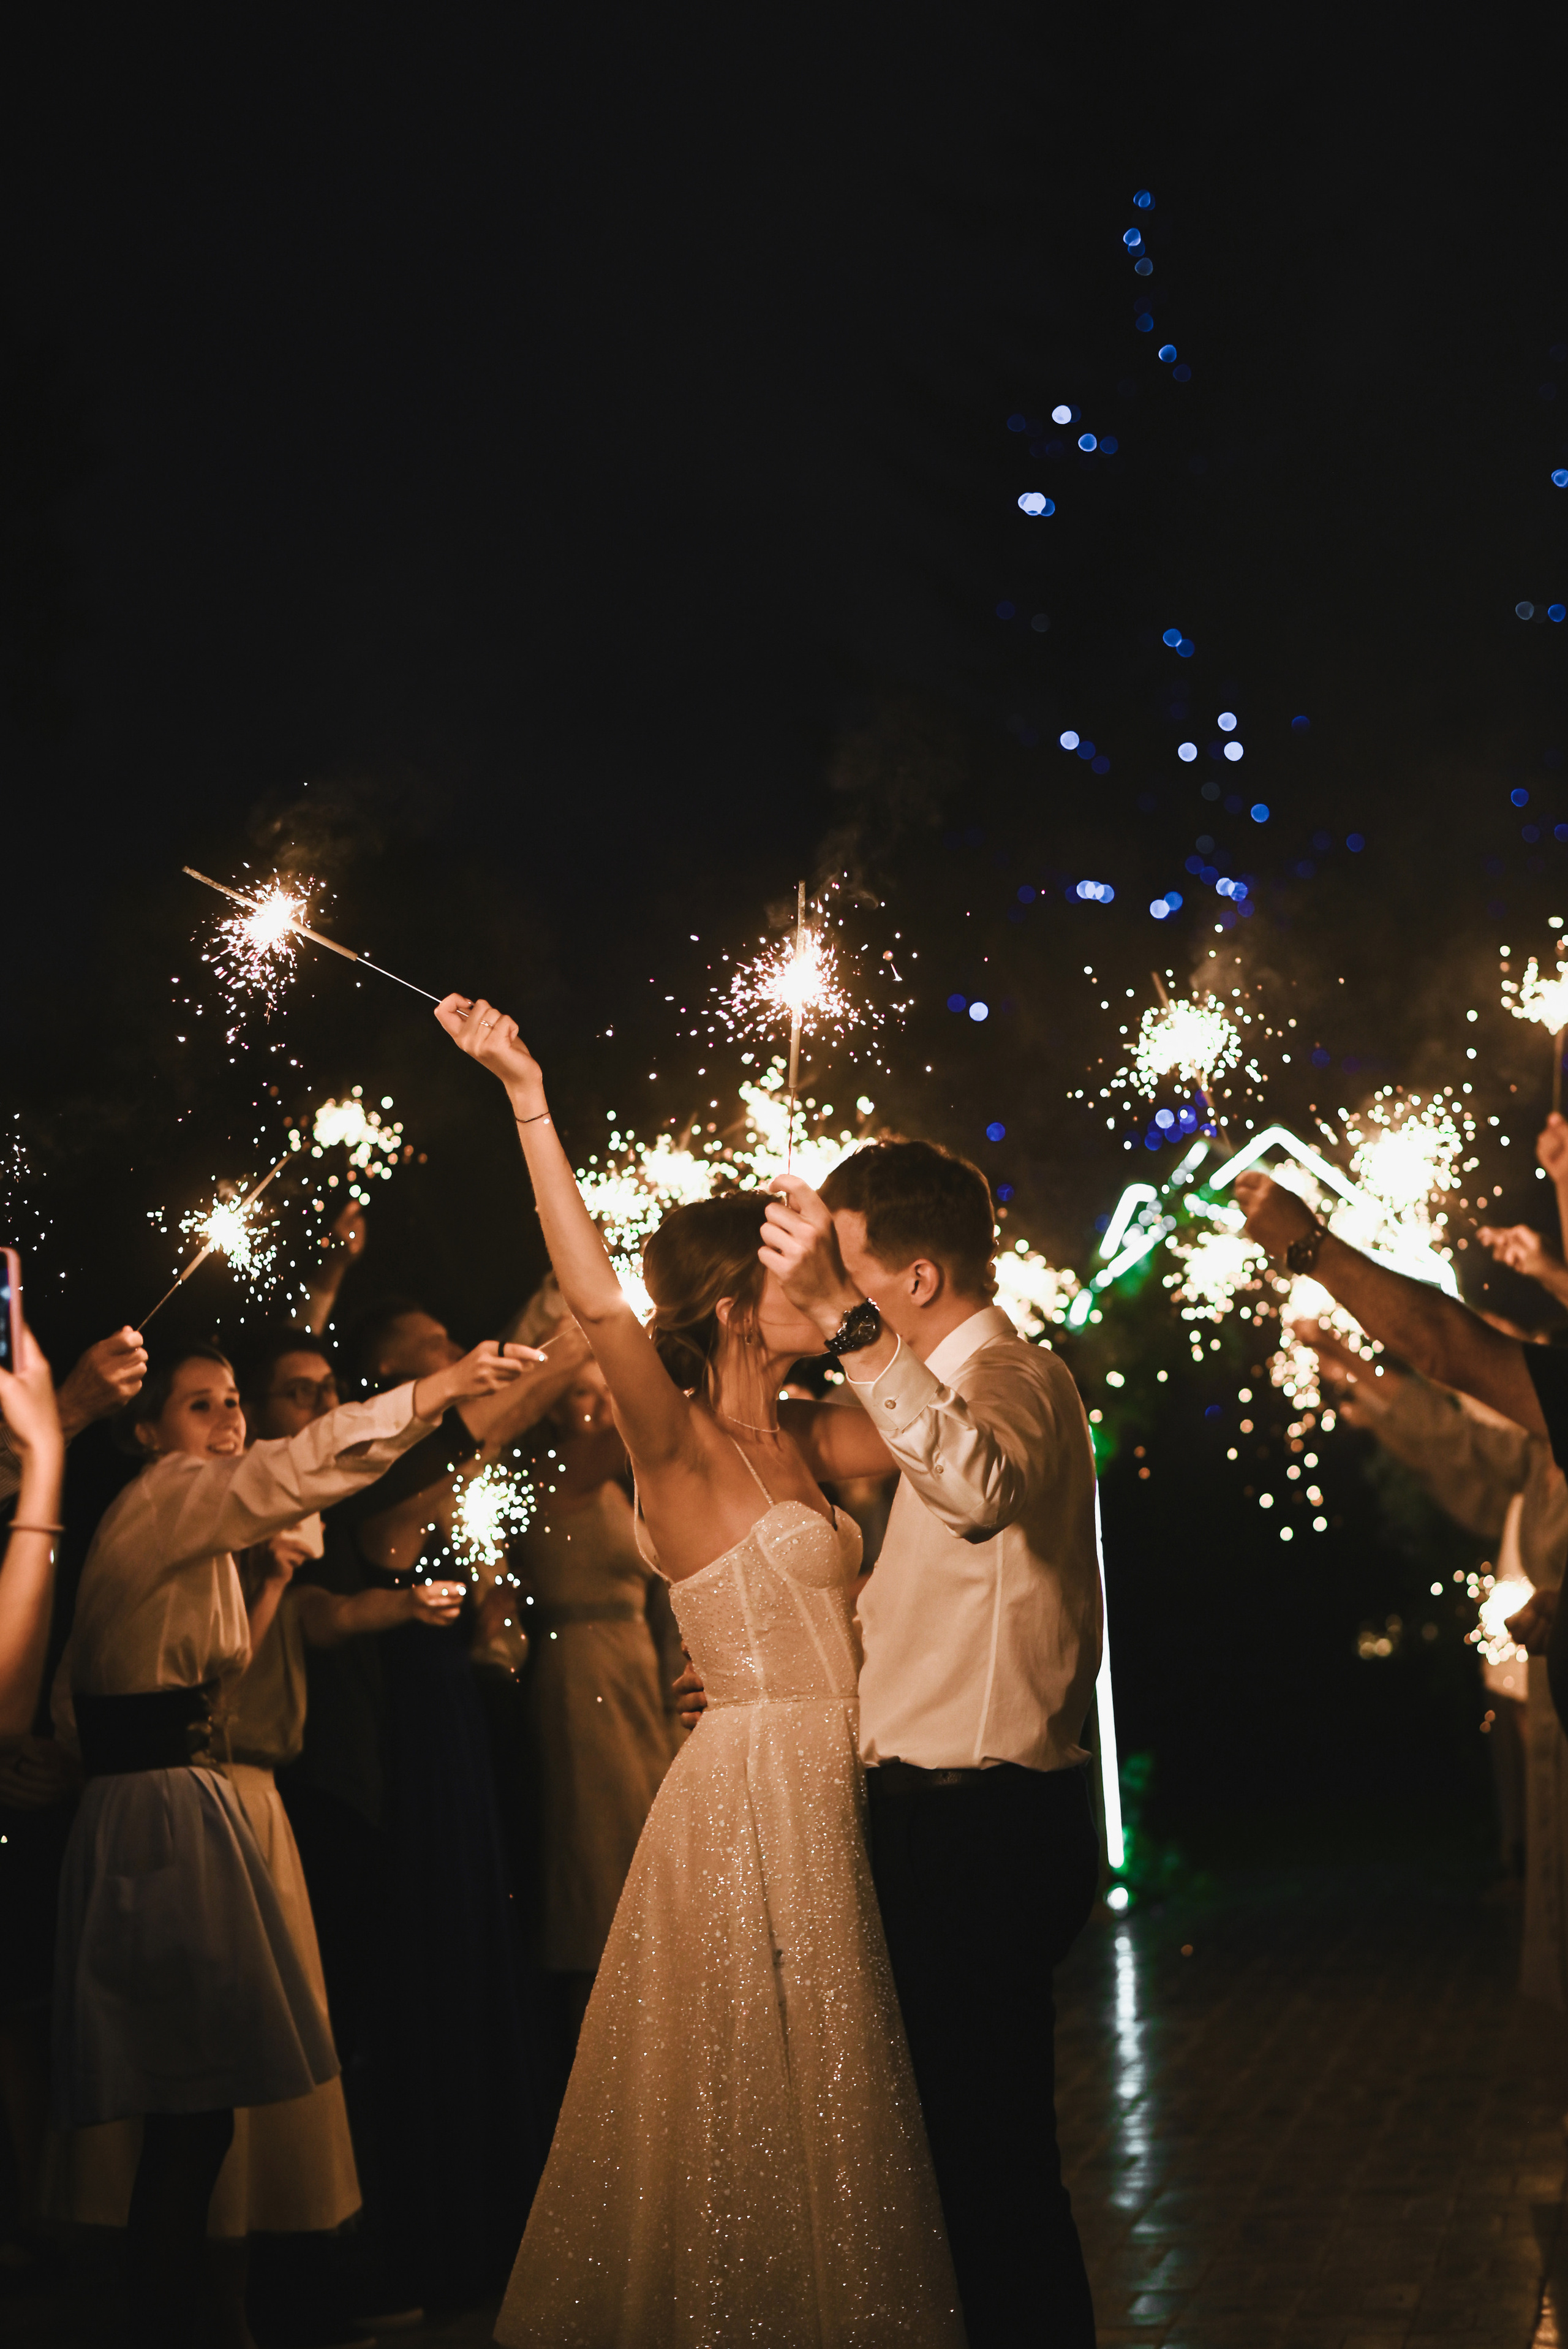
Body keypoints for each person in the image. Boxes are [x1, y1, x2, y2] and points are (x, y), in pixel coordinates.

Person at [436, 991, 964, 2349]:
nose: (823, 1295)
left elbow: (947, 1436)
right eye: (797, 1281)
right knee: (744, 2102)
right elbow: (599, 1295)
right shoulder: (667, 1445)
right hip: (741, 1795)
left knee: (845, 2095)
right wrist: (526, 1095)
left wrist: (874, 1298)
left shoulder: (823, 1433)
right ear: (737, 1304)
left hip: (849, 1774)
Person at [48, 1330, 533, 2349]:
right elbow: (302, 1459)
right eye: (200, 1405)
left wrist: (270, 1573)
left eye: (233, 1401)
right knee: (188, 2109)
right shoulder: (172, 1494)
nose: (228, 1421)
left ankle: (191, 2315)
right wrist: (440, 1385)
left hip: (184, 1799)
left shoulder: (190, 1529)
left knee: (203, 2108)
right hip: (161, 1812)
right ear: (147, 1434)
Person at [760, 1137, 1103, 2349]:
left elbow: (982, 1487)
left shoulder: (1013, 1375)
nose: (824, 1299)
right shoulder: (931, 1392)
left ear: (907, 1279)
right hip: (946, 1819)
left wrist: (846, 1334)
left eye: (845, 1273)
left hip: (979, 1824)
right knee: (957, 2165)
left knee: (989, 2170)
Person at [1235, 1169, 1568, 1737]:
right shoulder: (1533, 1461)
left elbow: (1444, 1344)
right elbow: (1449, 1424)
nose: (1487, 1335)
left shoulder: (1538, 1431)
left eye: (1498, 1332)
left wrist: (1309, 1246)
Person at [508, 1317, 682, 2070]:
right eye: (580, 1394)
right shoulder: (565, 1467)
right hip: (581, 1671)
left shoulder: (611, 1471)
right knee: (597, 1839)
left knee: (644, 1826)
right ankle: (601, 2048)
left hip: (634, 1660)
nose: (597, 1405)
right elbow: (648, 1424)